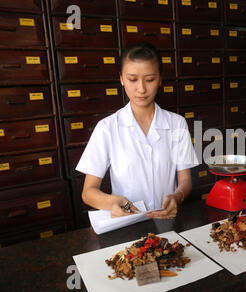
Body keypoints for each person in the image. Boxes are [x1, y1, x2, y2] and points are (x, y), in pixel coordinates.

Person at [76, 42, 198, 220]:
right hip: (128, 223)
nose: (141, 89)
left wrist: (177, 197)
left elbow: (185, 180)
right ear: (121, 79)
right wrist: (113, 202)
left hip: (167, 220)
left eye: (149, 80)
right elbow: (88, 192)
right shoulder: (107, 128)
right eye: (132, 79)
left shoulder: (177, 124)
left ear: (160, 80)